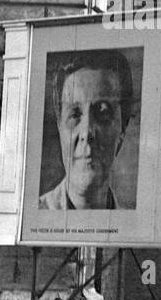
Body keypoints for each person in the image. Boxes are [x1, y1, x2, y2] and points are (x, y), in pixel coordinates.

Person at [39, 49, 136, 210]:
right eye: (75, 114)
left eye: (103, 113)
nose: (87, 132)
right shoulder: (37, 214)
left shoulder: (134, 228)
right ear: (59, 127)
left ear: (122, 131)